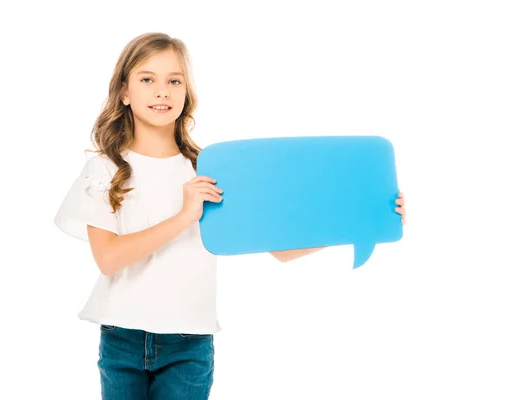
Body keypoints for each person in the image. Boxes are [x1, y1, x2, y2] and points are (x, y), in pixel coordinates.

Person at [53, 32, 407, 400]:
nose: (163, 91)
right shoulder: (106, 168)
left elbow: (280, 250)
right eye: (147, 79)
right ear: (124, 92)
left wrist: (364, 220)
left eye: (174, 80)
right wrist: (184, 215)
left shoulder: (213, 169)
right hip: (121, 338)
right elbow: (108, 259)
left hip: (189, 344)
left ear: (186, 92)